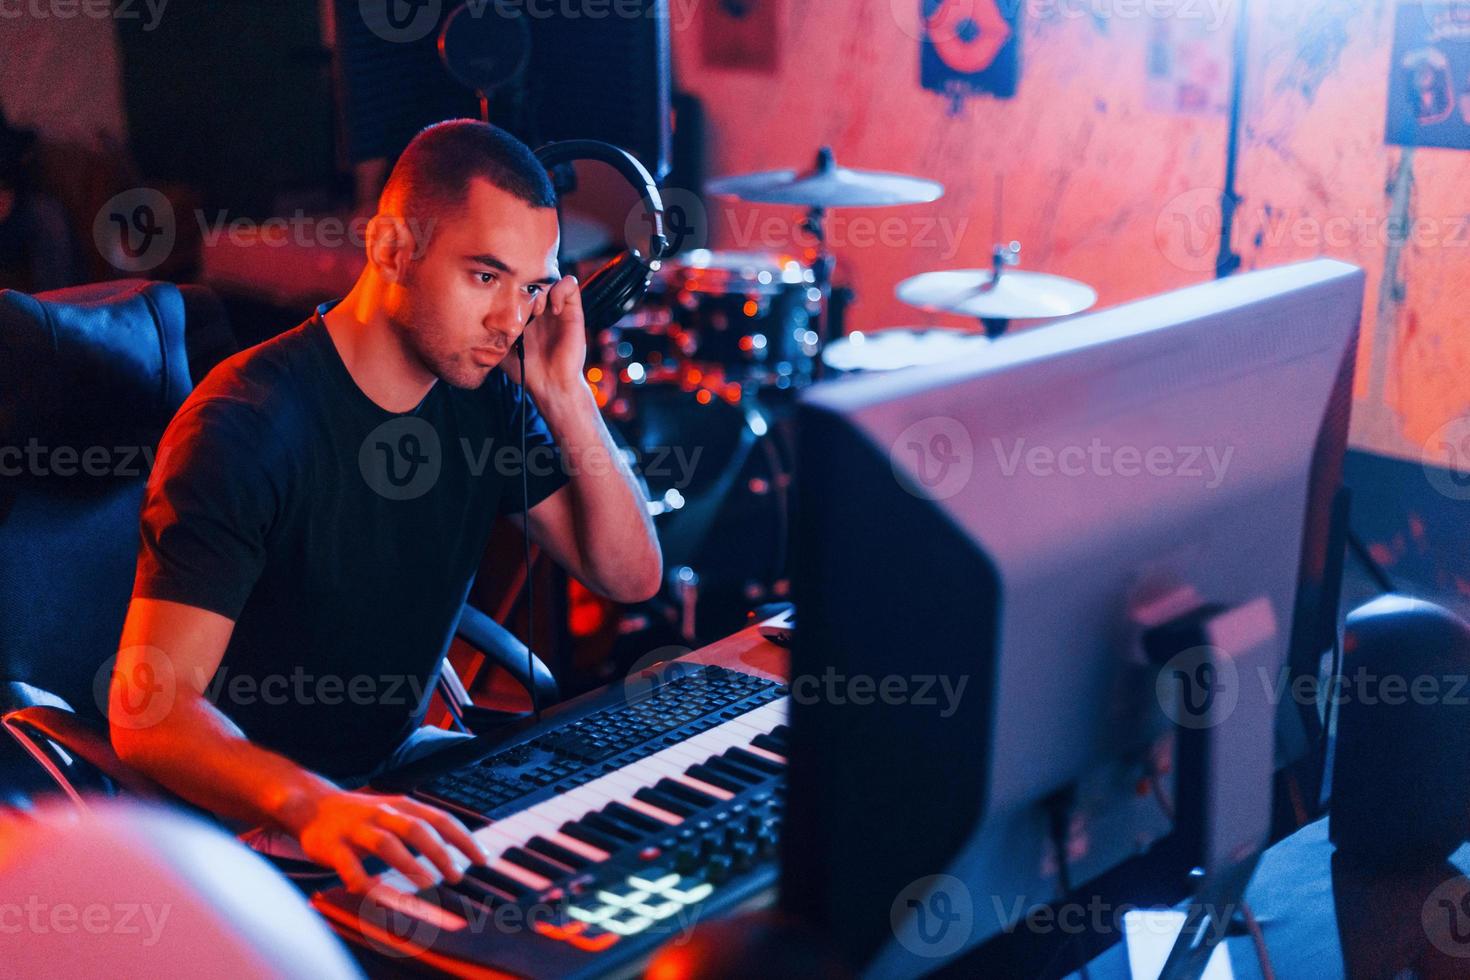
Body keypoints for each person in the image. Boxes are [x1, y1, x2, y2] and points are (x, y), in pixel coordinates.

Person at [107, 120, 662, 894]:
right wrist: (316, 805)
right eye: (484, 276)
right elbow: (149, 716)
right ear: (394, 248)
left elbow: (631, 575)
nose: (510, 321)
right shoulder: (246, 424)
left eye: (532, 287)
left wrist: (566, 393)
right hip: (244, 826)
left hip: (391, 779)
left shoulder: (489, 398)